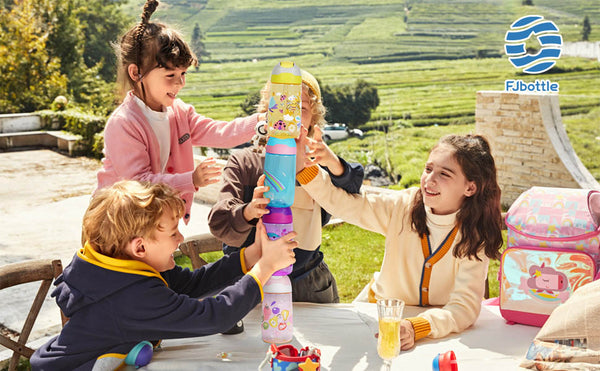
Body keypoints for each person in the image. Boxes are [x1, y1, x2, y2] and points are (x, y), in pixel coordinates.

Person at [30, 180, 296, 370]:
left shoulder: (120, 270)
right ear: (140, 247)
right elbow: (213, 317)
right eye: (172, 233)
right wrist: (264, 270)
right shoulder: (132, 296)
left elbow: (193, 283)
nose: (181, 239)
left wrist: (251, 255)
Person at [295, 133, 503, 349]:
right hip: (375, 314)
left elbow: (464, 307)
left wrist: (417, 327)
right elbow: (343, 203)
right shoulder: (402, 206)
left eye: (444, 174)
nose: (429, 180)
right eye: (428, 169)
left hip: (427, 334)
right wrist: (302, 165)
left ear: (470, 187)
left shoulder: (476, 235)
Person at [96, 0, 263, 224]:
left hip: (153, 220)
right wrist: (191, 179)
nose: (180, 83)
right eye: (170, 76)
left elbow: (220, 132)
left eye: (183, 74)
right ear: (136, 73)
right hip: (116, 222)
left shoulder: (179, 112)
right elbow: (137, 183)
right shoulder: (124, 123)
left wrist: (262, 120)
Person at [208, 70, 364, 303]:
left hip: (308, 282)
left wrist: (332, 162)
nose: (290, 117)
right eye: (282, 107)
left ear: (313, 119)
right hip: (249, 282)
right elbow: (219, 222)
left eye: (300, 109)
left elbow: (352, 195)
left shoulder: (318, 165)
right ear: (266, 113)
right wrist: (249, 211)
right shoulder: (245, 162)